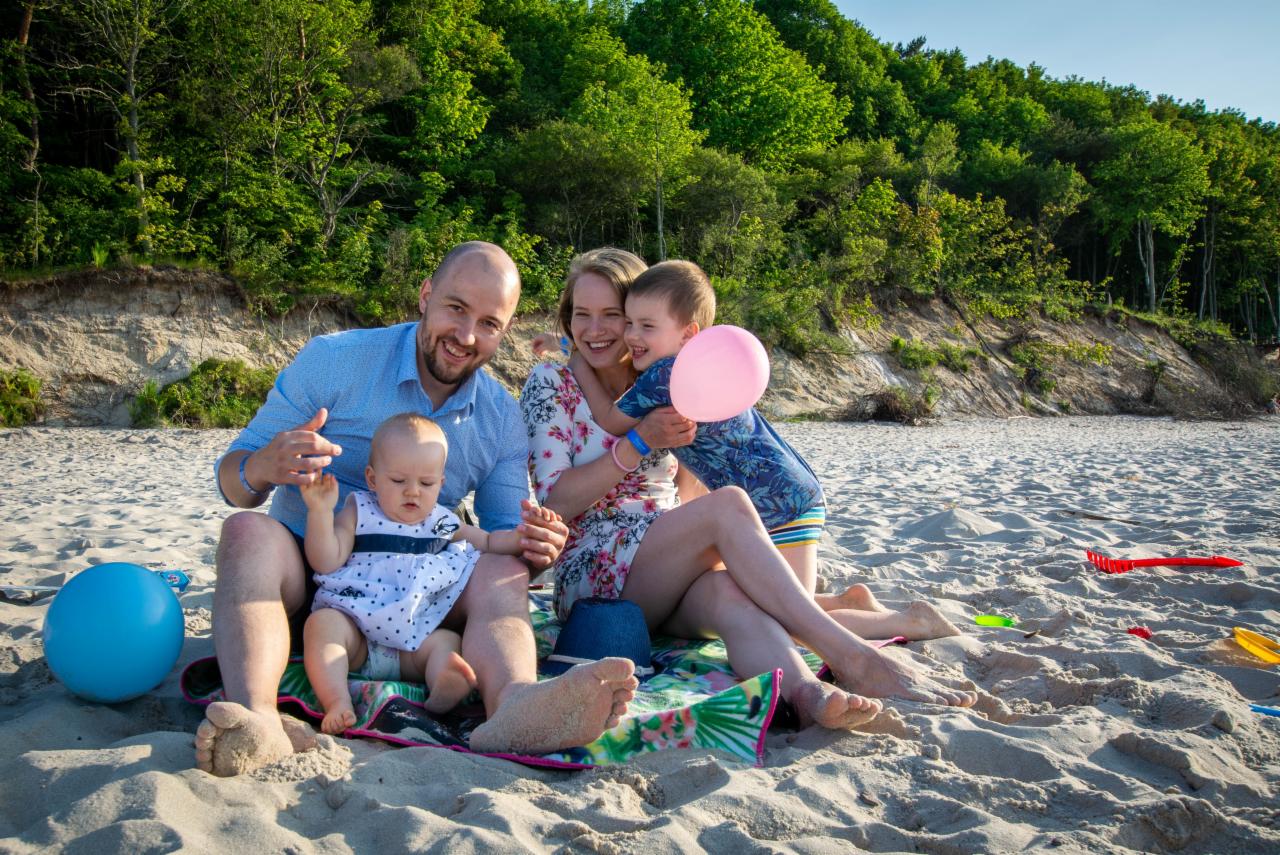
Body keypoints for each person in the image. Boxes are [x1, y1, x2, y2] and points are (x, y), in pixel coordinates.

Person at [194, 241, 638, 776]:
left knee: (502, 567)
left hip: (416, 593)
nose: (467, 336)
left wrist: (539, 546)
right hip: (311, 572)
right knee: (245, 530)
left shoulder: (498, 414)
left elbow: (503, 538)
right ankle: (257, 718)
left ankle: (515, 704)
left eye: (489, 324)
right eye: (455, 308)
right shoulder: (335, 361)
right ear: (426, 295)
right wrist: (264, 464)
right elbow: (233, 484)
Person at [521, 249, 976, 734]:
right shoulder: (553, 381)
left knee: (734, 597)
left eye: (614, 315)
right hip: (595, 566)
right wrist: (638, 443)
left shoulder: (663, 373)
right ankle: (852, 653)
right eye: (580, 315)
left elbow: (692, 482)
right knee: (731, 506)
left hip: (665, 555)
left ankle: (804, 692)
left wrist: (714, 550)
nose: (598, 329)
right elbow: (555, 503)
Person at [301, 412, 562, 733]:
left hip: (416, 640)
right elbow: (326, 560)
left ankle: (446, 681)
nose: (413, 492)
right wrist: (320, 512)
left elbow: (490, 541)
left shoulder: (441, 521)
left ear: (440, 484)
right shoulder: (360, 509)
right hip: (358, 635)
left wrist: (527, 535)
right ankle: (336, 700)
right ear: (372, 478)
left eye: (426, 483)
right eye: (398, 481)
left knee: (447, 642)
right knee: (322, 626)